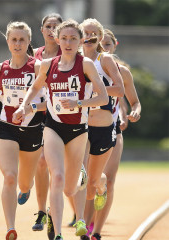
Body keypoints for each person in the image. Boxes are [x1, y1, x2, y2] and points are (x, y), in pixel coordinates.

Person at [13, 19, 108, 240]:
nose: (68, 43)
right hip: (53, 127)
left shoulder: (86, 65)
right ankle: (56, 232)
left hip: (77, 130)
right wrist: (24, 106)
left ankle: (88, 179)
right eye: (64, 38)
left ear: (81, 41)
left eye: (73, 39)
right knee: (56, 176)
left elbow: (103, 96)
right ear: (57, 39)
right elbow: (35, 86)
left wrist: (79, 104)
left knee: (69, 189)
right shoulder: (48, 65)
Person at [0, 21, 47, 240]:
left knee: (24, 182)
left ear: (28, 42)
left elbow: (49, 100)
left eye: (22, 40)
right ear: (7, 41)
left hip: (33, 128)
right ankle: (10, 227)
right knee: (9, 176)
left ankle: (27, 188)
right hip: (6, 127)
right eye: (13, 39)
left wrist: (29, 107)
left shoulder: (37, 67)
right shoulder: (0, 68)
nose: (17, 43)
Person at [80, 29, 141, 240]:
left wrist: (133, 112)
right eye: (101, 44)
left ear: (115, 45)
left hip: (112, 128)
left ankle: (95, 231)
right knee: (89, 178)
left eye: (108, 45)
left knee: (110, 179)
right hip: (86, 128)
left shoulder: (122, 72)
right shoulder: (83, 66)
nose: (104, 48)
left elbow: (131, 101)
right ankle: (85, 224)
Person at [31, 13, 63, 234]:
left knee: (58, 169)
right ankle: (42, 211)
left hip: (61, 116)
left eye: (56, 26)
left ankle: (56, 212)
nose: (52, 29)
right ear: (41, 30)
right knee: (41, 163)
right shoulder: (34, 56)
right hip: (37, 115)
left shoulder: (69, 54)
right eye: (48, 26)